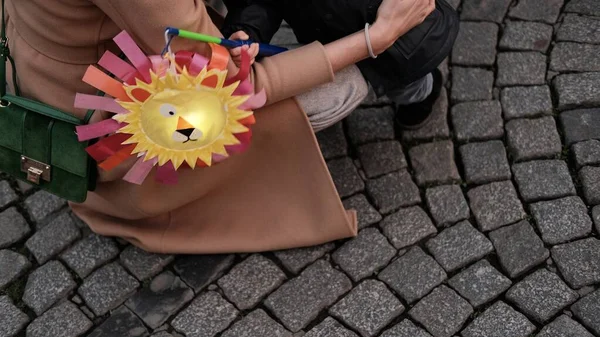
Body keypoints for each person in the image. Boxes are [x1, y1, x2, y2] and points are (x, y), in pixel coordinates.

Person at [5, 0, 434, 254]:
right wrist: (375, 39)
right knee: (343, 83)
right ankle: (410, 85)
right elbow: (234, 87)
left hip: (50, 76)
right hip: (110, 137)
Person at [221, 0, 459, 130]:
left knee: (404, 87)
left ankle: (426, 91)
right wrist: (246, 29)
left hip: (406, 42)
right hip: (332, 36)